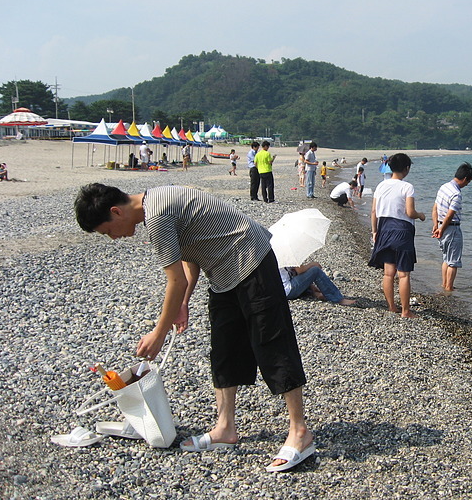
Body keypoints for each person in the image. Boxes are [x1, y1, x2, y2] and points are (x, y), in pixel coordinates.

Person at [74, 183, 313, 471]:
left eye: (107, 230)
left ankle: (300, 432)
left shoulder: (157, 216)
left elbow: (175, 280)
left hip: (251, 259)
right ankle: (225, 428)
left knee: (272, 343)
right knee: (224, 350)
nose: (113, 237)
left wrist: (158, 333)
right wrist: (183, 303)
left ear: (115, 211)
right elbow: (191, 252)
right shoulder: (158, 201)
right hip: (223, 273)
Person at [368, 153, 426, 318]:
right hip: (402, 231)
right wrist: (421, 215)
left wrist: (374, 231)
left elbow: (374, 211)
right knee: (403, 274)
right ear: (406, 169)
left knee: (388, 273)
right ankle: (406, 311)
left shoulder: (381, 186)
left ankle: (392, 307)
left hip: (384, 229)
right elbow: (410, 212)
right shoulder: (407, 187)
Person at [431, 162, 472, 291]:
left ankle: (444, 284)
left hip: (440, 225)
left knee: (446, 258)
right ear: (465, 178)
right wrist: (442, 229)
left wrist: (436, 225)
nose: (467, 185)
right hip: (451, 228)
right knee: (453, 261)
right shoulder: (456, 194)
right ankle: (449, 288)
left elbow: (435, 208)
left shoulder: (443, 187)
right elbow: (450, 215)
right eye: (468, 182)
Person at [280, 262, 356, 306]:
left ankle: (315, 293)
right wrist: (313, 264)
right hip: (288, 290)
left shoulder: (277, 252)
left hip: (281, 290)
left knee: (304, 277)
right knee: (315, 271)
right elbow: (300, 270)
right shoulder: (288, 254)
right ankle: (338, 299)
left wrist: (312, 286)